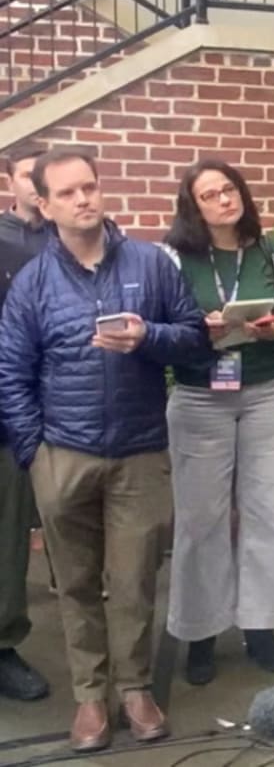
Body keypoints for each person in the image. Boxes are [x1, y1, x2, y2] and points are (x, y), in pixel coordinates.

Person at [0, 146, 209, 752]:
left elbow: (195, 340)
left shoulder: (150, 262)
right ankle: (91, 699)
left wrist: (149, 337)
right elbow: (12, 373)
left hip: (140, 452)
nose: (83, 198)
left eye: (89, 186)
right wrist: (34, 453)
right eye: (67, 192)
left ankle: (136, 690)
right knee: (76, 584)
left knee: (135, 578)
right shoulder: (33, 282)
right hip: (62, 453)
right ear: (44, 204)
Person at [160, 159, 274, 686]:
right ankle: (200, 632)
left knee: (270, 512)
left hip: (267, 394)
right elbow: (161, 329)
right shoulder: (172, 260)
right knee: (200, 520)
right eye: (210, 194)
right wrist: (195, 330)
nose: (225, 199)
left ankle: (262, 627)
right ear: (193, 207)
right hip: (200, 398)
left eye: (229, 189)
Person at [0, 141, 52, 702]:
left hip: (70, 408)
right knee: (5, 534)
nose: (36, 183)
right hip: (6, 407)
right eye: (27, 175)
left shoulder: (85, 239)